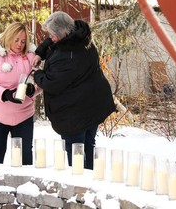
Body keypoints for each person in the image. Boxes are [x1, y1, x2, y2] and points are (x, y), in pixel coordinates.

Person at [33, 11, 116, 170]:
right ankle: (92, 181)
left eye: (53, 35)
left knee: (75, 150)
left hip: (75, 111)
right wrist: (40, 52)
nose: (51, 38)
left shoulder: (68, 55)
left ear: (64, 33)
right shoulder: (81, 37)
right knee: (88, 145)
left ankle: (80, 186)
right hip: (93, 103)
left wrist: (36, 73)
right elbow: (54, 41)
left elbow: (52, 83)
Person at [0, 22, 40, 165]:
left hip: (23, 113)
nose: (19, 44)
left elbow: (40, 80)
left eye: (23, 41)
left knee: (24, 156)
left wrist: (33, 89)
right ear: (8, 37)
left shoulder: (31, 57)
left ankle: (25, 185)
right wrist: (5, 94)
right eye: (16, 40)